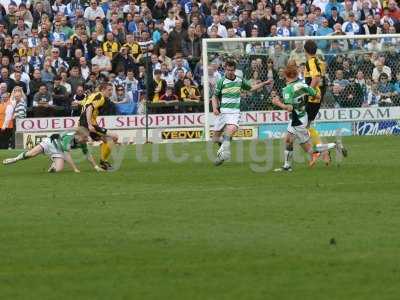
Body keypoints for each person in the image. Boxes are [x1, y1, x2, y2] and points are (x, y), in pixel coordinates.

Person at [272, 63, 346, 172]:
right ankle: (287, 166)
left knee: (311, 150)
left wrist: (277, 102)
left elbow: (289, 107)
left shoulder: (287, 89)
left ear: (286, 76)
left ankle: (335, 145)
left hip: (298, 121)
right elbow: (317, 96)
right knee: (288, 140)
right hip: (302, 116)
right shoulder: (303, 85)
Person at [212, 60, 272, 166]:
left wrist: (264, 83)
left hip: (234, 111)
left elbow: (251, 88)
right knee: (215, 138)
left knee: (232, 128)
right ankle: (223, 151)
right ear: (225, 69)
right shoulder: (221, 81)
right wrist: (215, 108)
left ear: (235, 70)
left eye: (232, 70)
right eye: (228, 70)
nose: (230, 72)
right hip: (223, 112)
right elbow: (214, 96)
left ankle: (224, 152)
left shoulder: (240, 80)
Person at [3, 127, 104, 173]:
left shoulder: (82, 143)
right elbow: (67, 155)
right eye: (85, 137)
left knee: (58, 170)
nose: (86, 139)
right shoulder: (68, 138)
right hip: (50, 143)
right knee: (31, 154)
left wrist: (95, 166)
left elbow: (87, 155)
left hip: (58, 151)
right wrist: (75, 169)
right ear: (78, 136)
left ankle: (53, 165)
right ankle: (14, 159)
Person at [76, 82, 118, 171]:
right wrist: (90, 124)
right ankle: (103, 161)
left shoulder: (94, 95)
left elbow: (85, 103)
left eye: (112, 90)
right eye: (109, 90)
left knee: (78, 141)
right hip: (88, 124)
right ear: (102, 90)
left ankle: (58, 153)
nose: (110, 92)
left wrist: (78, 102)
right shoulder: (100, 97)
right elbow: (89, 108)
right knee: (114, 137)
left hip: (83, 123)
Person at [303, 40, 331, 165]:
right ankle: (321, 152)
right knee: (306, 125)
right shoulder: (320, 61)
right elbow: (323, 79)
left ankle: (321, 151)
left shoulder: (311, 62)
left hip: (313, 96)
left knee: (302, 127)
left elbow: (316, 78)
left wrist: (310, 91)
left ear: (305, 51)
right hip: (318, 96)